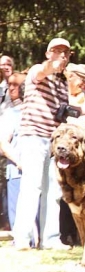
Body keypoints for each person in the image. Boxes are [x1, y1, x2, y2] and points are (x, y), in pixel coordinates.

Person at [12, 38, 72, 250]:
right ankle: (22, 239)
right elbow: (42, 72)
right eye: (57, 51)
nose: (62, 56)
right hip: (33, 136)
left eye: (66, 53)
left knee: (54, 190)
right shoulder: (37, 70)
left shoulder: (64, 81)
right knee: (31, 186)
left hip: (53, 140)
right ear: (48, 53)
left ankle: (51, 239)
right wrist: (50, 65)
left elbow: (63, 111)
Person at [0, 72, 27, 232]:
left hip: (36, 169)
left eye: (15, 85)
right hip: (16, 170)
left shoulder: (34, 112)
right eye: (9, 84)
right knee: (17, 215)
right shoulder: (10, 114)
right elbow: (3, 143)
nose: (11, 88)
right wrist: (19, 162)